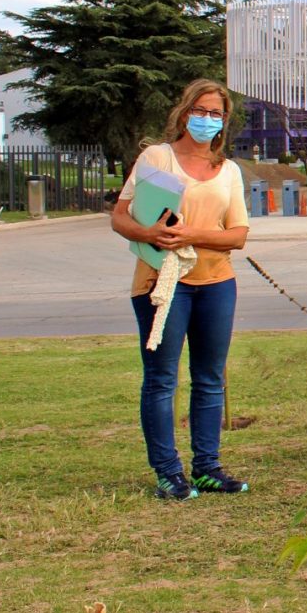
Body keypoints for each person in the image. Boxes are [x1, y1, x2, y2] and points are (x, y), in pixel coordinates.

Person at [111, 79, 250, 500]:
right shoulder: (157, 157)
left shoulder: (228, 170)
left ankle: (207, 467)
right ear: (184, 111)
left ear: (224, 122)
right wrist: (150, 232)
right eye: (200, 110)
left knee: (209, 379)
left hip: (215, 283)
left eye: (215, 114)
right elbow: (121, 217)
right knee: (161, 379)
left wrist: (193, 234)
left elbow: (238, 235)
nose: (206, 120)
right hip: (161, 284)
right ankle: (168, 472)